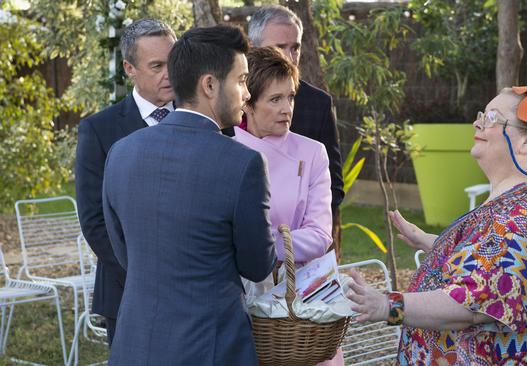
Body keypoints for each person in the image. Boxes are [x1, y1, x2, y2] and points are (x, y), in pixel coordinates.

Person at [347, 81, 527, 365]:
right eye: (481, 115)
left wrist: (386, 304)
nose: (478, 125)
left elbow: (471, 304)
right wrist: (432, 241)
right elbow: (497, 260)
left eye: (492, 118)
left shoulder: (525, 217)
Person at [102, 25, 277, 364]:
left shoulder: (121, 152)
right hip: (210, 347)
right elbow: (258, 266)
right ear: (209, 85)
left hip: (134, 345)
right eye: (241, 81)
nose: (247, 94)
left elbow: (125, 253)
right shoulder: (243, 163)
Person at [234, 46, 341, 366]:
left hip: (301, 303)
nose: (286, 109)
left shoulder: (312, 152)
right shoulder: (226, 151)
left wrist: (263, 247)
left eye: (290, 97)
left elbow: (321, 234)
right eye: (274, 99)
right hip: (238, 298)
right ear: (247, 103)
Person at [75, 18, 176, 344]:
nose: (169, 74)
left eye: (173, 62)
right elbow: (94, 221)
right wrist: (147, 275)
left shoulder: (206, 120)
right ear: (130, 68)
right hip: (128, 290)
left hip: (197, 295)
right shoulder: (99, 131)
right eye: (157, 65)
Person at [248, 5, 345, 226]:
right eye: (280, 47)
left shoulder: (318, 103)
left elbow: (334, 186)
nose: (290, 56)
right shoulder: (230, 99)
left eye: (295, 47)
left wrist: (303, 232)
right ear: (252, 48)